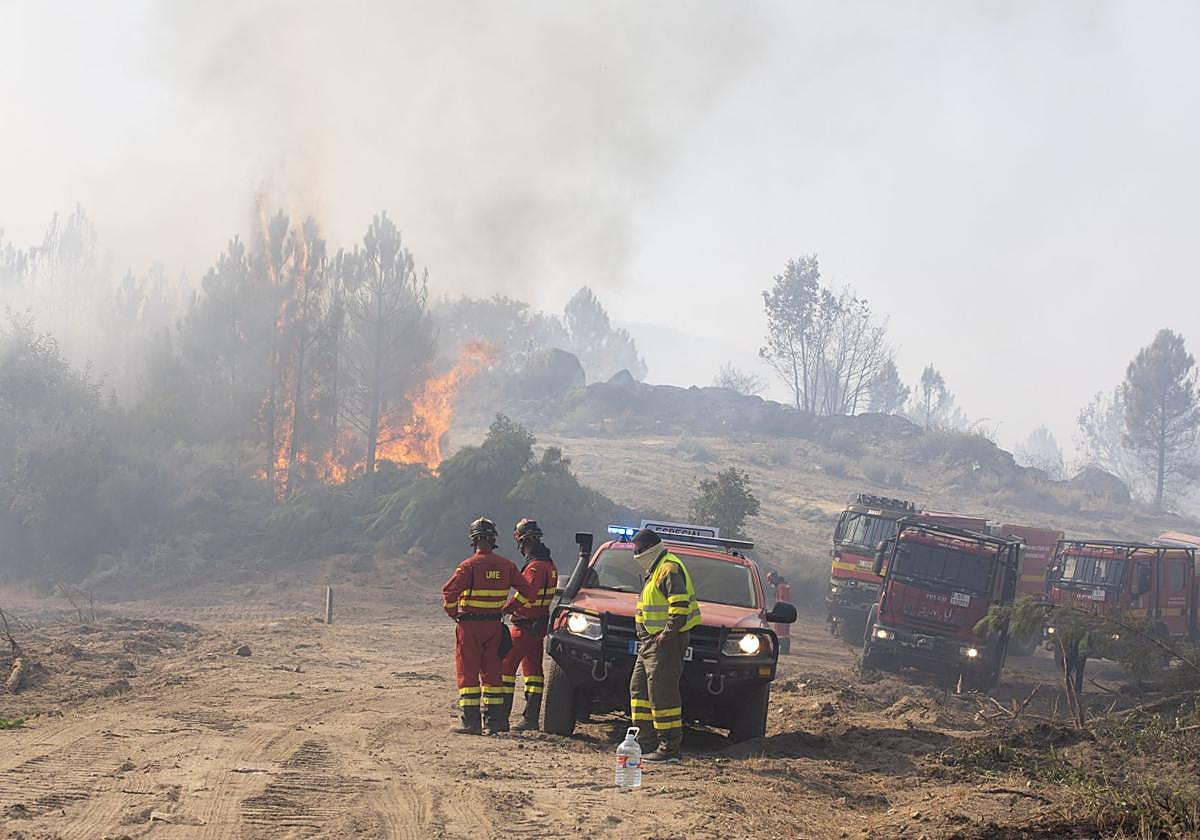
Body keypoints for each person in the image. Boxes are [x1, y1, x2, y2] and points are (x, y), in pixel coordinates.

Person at [442, 517, 538, 735]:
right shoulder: (507, 566)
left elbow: (449, 593)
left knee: (468, 674)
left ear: (474, 540)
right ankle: (496, 723)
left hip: (470, 626)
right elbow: (528, 592)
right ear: (494, 539)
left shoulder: (468, 566)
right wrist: (508, 608)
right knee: (493, 675)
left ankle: (471, 723)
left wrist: (453, 613)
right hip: (495, 627)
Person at [628, 528, 700, 763]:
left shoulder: (669, 568)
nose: (635, 554)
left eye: (637, 549)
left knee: (662, 695)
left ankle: (669, 749)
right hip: (648, 642)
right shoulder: (655, 568)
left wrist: (667, 633)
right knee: (639, 690)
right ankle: (644, 742)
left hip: (664, 643)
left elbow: (679, 606)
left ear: (649, 548)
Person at [500, 518, 559, 731]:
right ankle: (531, 718)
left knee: (505, 667)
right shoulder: (550, 565)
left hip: (524, 626)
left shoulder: (534, 567)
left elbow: (527, 594)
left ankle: (500, 717)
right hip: (538, 626)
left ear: (522, 541)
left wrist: (505, 609)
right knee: (533, 672)